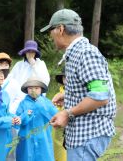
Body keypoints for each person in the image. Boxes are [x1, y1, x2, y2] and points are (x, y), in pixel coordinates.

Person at [40, 9, 117, 161]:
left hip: (88, 133)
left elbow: (100, 96)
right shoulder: (77, 52)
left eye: (51, 30)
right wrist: (68, 95)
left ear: (61, 29)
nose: (50, 36)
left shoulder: (85, 53)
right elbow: (89, 88)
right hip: (82, 133)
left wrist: (67, 113)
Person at [15, 77, 58, 161]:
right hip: (27, 139)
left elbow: (54, 116)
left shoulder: (46, 102)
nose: (33, 90)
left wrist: (41, 104)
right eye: (30, 88)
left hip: (43, 138)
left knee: (44, 156)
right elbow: (17, 121)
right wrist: (25, 115)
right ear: (27, 89)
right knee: (26, 156)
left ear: (41, 89)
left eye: (36, 88)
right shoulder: (23, 103)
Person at [8, 40, 50, 114]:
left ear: (35, 53)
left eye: (32, 51)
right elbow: (10, 79)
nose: (30, 54)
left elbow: (45, 80)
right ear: (25, 52)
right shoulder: (19, 65)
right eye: (28, 51)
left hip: (35, 95)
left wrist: (34, 65)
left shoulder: (40, 64)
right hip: (19, 95)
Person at [52, 67, 67, 161]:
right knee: (58, 146)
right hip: (60, 126)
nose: (66, 79)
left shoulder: (79, 91)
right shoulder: (59, 93)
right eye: (64, 77)